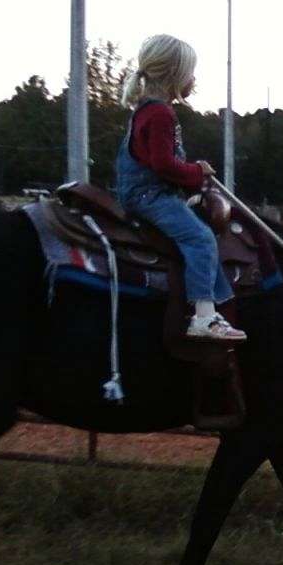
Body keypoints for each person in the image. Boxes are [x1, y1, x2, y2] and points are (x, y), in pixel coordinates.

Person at [115, 34, 245, 341]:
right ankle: (203, 317)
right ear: (174, 74)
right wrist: (197, 172)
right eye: (190, 72)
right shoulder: (161, 113)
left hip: (142, 192)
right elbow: (162, 165)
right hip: (151, 195)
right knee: (200, 238)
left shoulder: (145, 109)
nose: (193, 79)